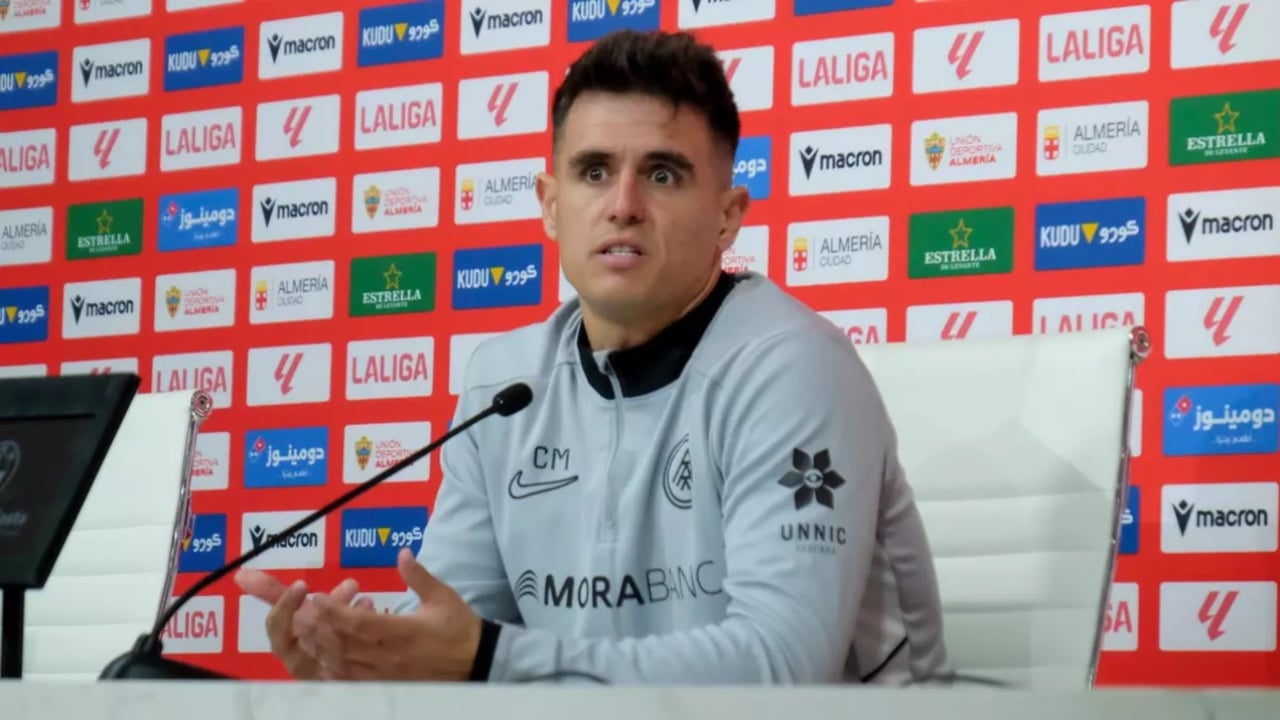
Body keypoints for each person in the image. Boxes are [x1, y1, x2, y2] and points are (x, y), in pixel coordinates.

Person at [236, 28, 950, 685]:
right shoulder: (504, 384)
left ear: (727, 216)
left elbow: (782, 667)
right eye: (594, 171)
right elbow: (451, 635)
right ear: (551, 206)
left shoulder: (794, 368)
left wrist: (488, 657)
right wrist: (366, 664)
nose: (624, 204)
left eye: (663, 175)